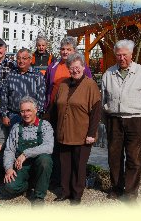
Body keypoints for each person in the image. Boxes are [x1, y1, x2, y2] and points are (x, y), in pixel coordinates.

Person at [101, 39, 141, 202]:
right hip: (114, 120)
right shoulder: (108, 74)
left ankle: (131, 193)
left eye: (124, 55)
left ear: (131, 54)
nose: (121, 58)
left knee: (134, 156)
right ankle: (117, 188)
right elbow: (103, 98)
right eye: (118, 55)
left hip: (135, 120)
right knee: (114, 156)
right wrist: (107, 117)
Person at [50, 53, 101, 205]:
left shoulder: (90, 84)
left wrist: (92, 133)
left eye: (77, 67)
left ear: (84, 68)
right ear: (68, 69)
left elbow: (96, 111)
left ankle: (77, 195)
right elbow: (54, 108)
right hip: (64, 132)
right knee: (65, 164)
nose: (75, 70)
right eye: (71, 68)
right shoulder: (64, 84)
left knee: (79, 166)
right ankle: (65, 192)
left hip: (82, 134)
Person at [44, 36, 92, 190]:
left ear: (74, 51)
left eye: (68, 49)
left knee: (72, 147)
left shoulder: (81, 67)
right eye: (63, 49)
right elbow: (47, 88)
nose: (65, 52)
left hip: (74, 113)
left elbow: (88, 88)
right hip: (55, 110)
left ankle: (74, 182)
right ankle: (57, 179)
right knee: (56, 147)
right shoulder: (54, 66)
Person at [3, 96, 54, 205]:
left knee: (45, 160)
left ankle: (39, 196)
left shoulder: (45, 125)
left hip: (38, 164)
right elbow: (9, 150)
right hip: (22, 167)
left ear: (36, 110)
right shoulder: (16, 127)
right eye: (22, 111)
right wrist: (8, 168)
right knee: (10, 187)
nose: (26, 114)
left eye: (28, 110)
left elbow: (49, 147)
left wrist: (25, 154)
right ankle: (30, 184)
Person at [0, 48, 46, 128]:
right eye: (18, 58)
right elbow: (3, 96)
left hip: (32, 117)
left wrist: (37, 115)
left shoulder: (37, 76)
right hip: (13, 116)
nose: (21, 61)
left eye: (24, 58)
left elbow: (41, 98)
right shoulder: (10, 75)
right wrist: (4, 115)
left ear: (30, 60)